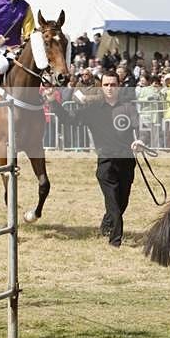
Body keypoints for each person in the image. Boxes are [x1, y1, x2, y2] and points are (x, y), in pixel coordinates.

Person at [45, 71, 145, 248]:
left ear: (118, 86)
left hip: (127, 160)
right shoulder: (92, 110)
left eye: (113, 85)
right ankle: (115, 240)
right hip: (106, 162)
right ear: (101, 86)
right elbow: (69, 120)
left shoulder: (128, 107)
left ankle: (106, 226)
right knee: (113, 201)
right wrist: (53, 101)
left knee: (122, 202)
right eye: (106, 85)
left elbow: (139, 127)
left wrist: (140, 140)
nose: (109, 88)